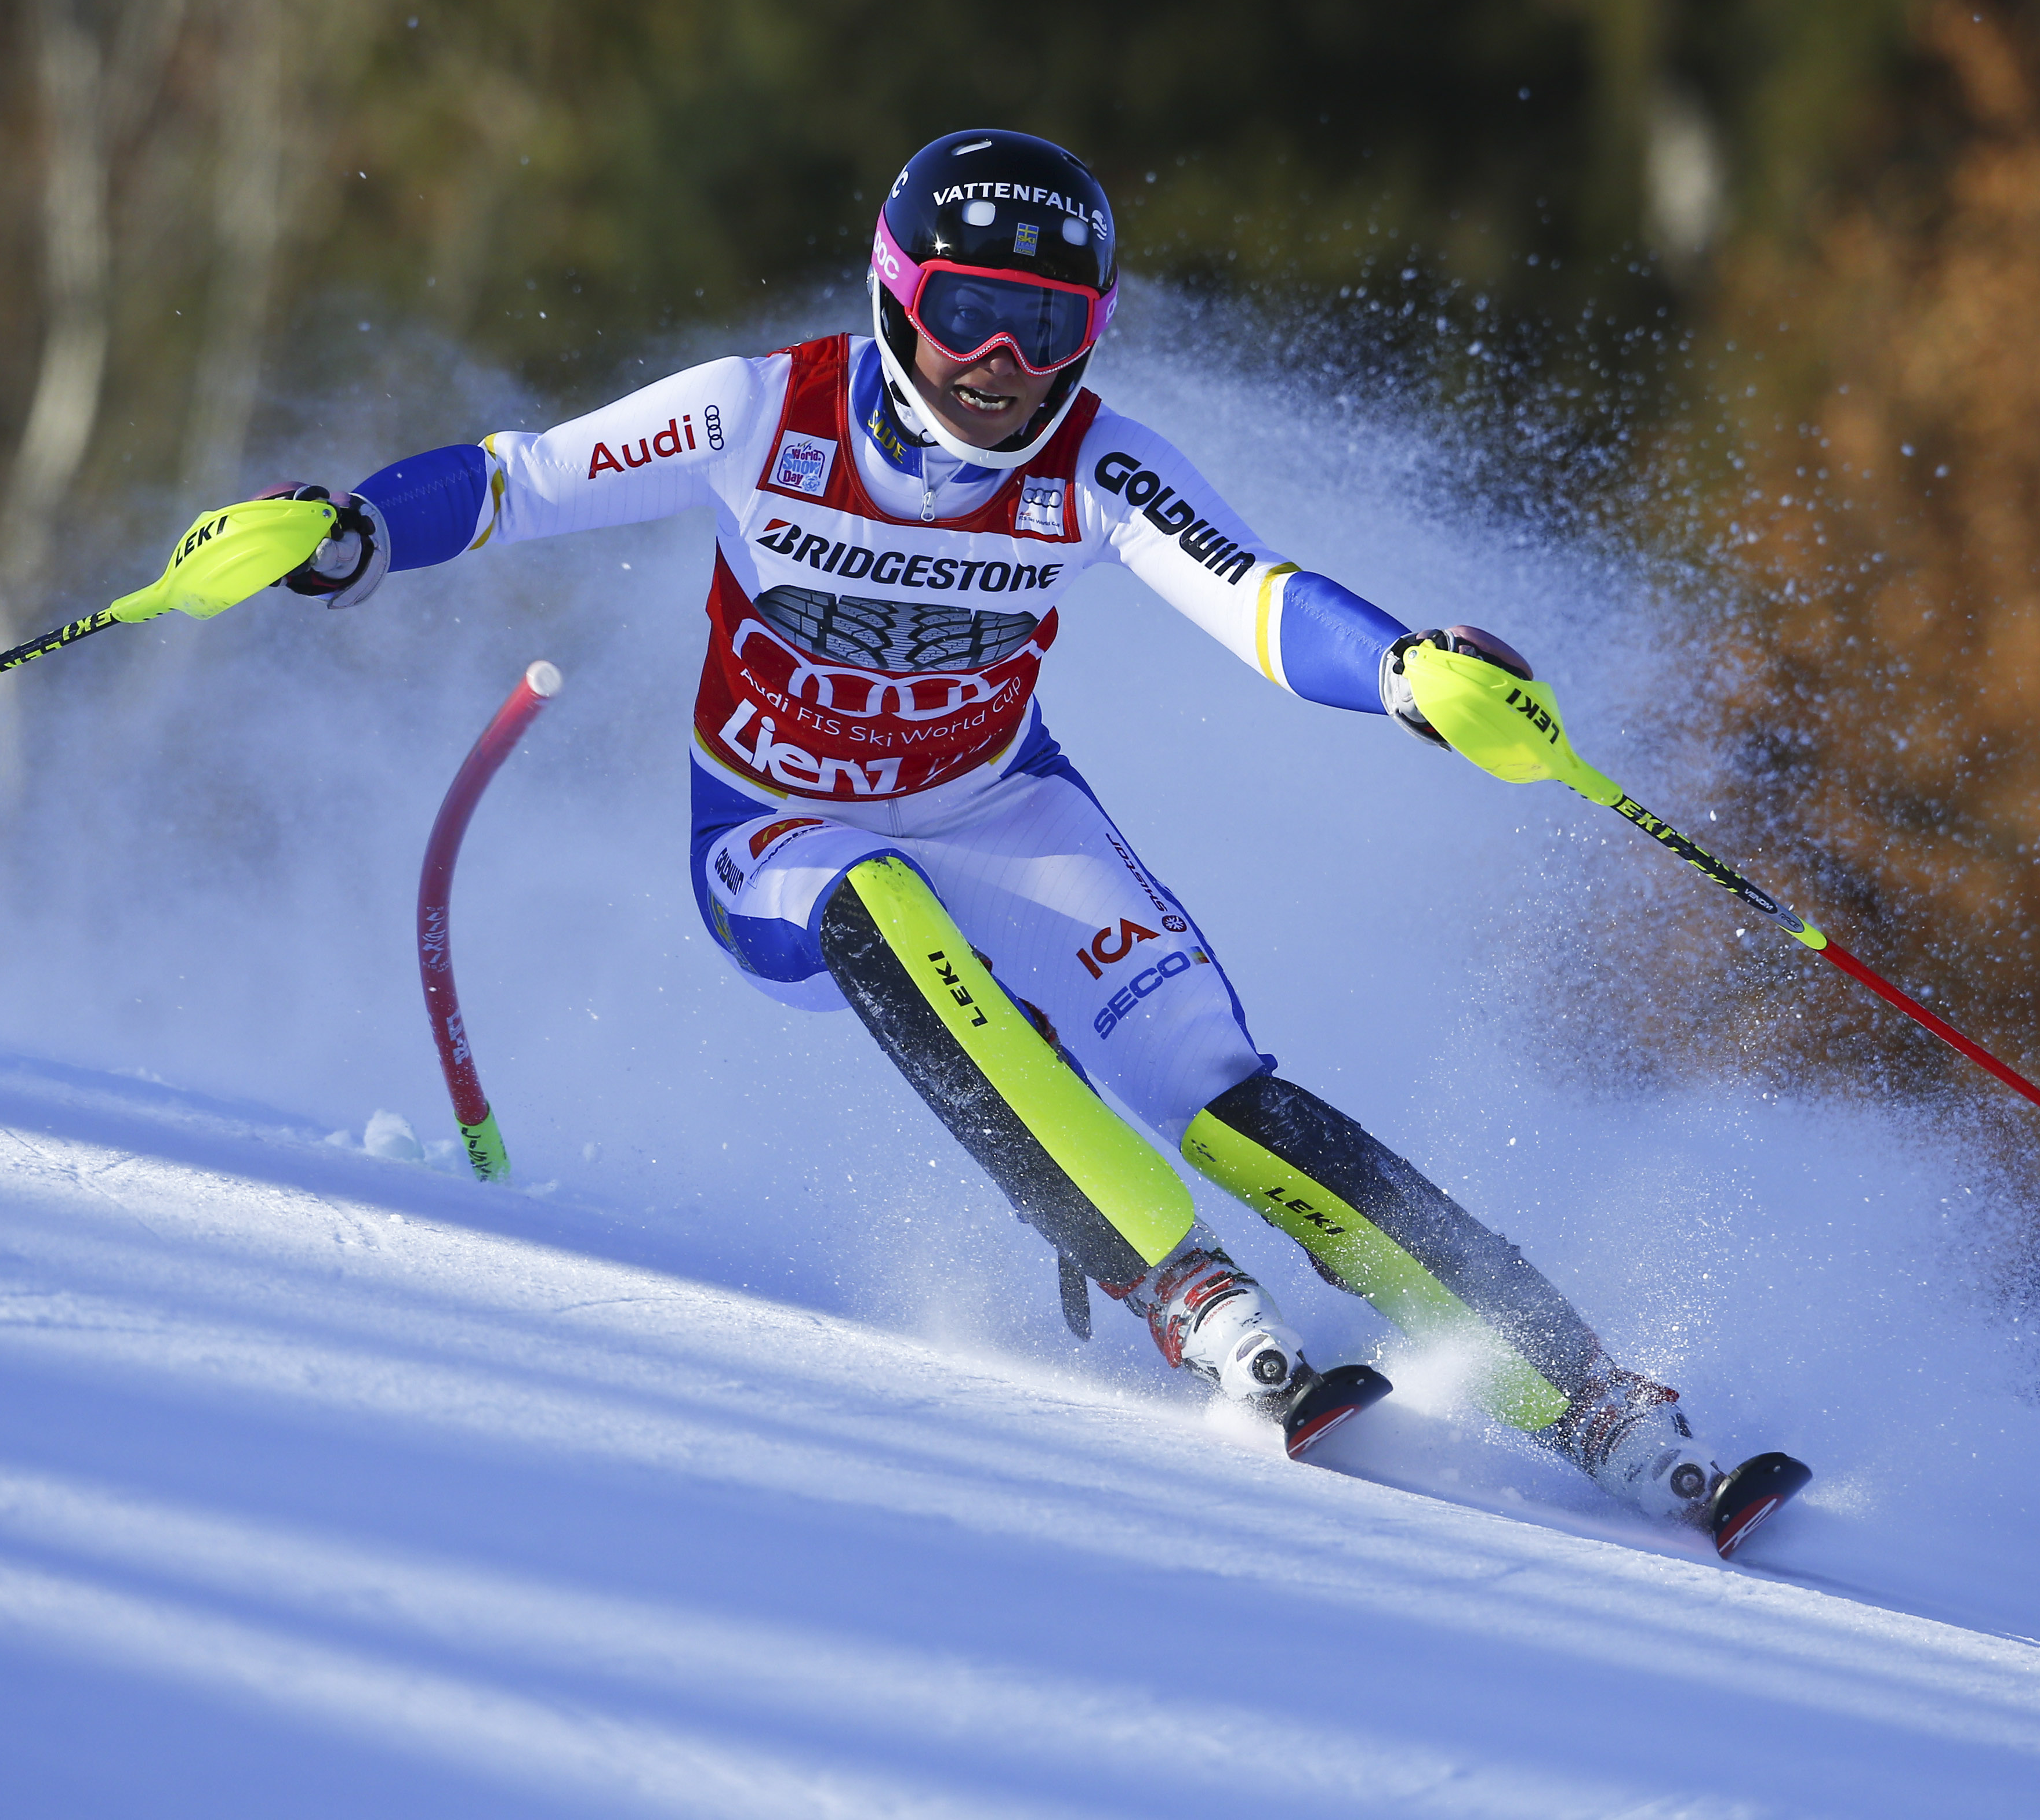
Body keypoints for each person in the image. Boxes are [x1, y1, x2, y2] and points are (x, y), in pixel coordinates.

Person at [249, 129, 1752, 1542]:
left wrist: (1408, 675)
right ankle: (1187, 1291)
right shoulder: (755, 412)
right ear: (897, 298)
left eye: (1044, 328)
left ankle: (1586, 1392)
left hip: (1001, 807)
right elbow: (519, 482)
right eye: (966, 312)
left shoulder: (1097, 462)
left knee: (1214, 1087)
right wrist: (353, 530)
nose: (997, 365)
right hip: (779, 835)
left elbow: (1257, 596)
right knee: (874, 896)